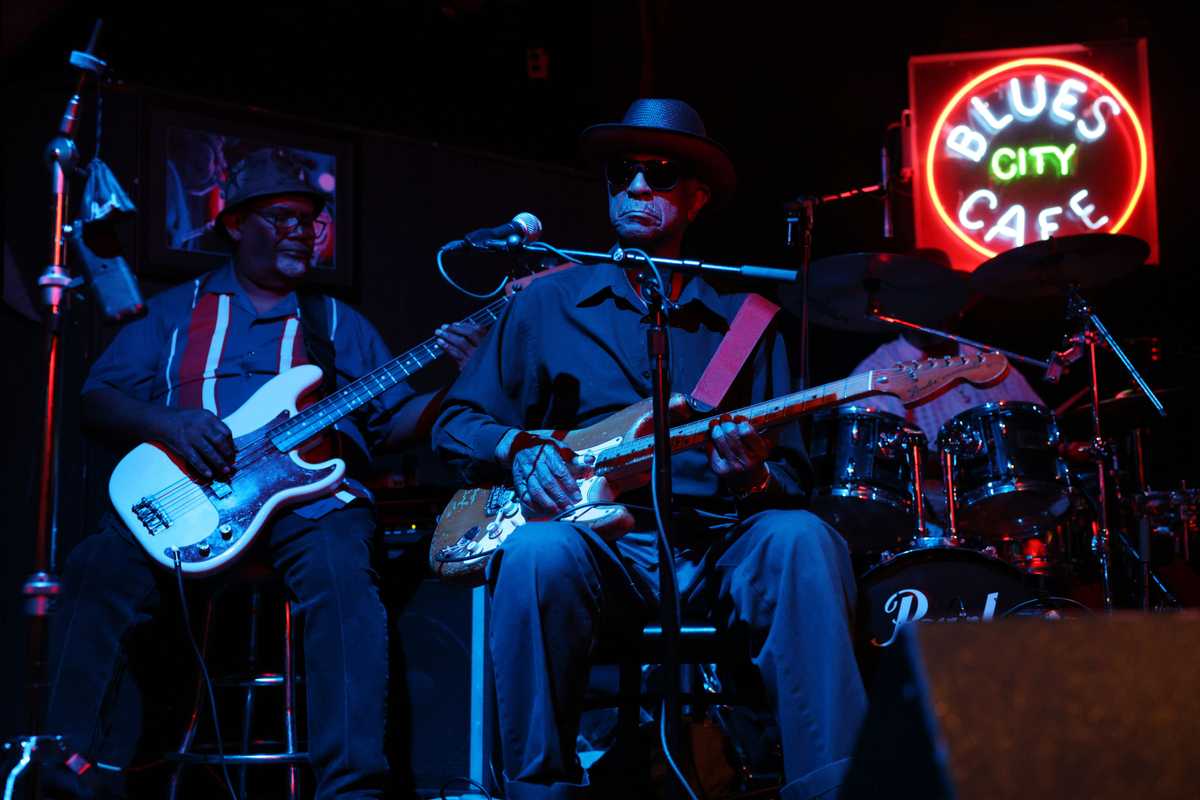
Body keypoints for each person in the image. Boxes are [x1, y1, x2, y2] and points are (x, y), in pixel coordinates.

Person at [432, 99, 866, 800]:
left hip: (721, 540)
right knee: (537, 553)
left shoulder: (750, 323)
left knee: (804, 540)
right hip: (599, 546)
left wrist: (751, 477)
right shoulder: (547, 304)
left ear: (696, 197)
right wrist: (519, 448)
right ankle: (539, 789)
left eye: (658, 175)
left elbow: (793, 474)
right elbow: (456, 420)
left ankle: (833, 786)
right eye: (621, 175)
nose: (636, 188)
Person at [44, 147, 483, 799]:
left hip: (311, 506)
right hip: (186, 493)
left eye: (310, 219)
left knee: (344, 574)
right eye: (283, 217)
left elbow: (389, 426)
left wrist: (463, 378)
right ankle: (65, 775)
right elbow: (95, 398)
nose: (303, 230)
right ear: (235, 223)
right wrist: (171, 425)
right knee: (94, 566)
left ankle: (352, 789)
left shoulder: (337, 324)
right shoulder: (174, 312)